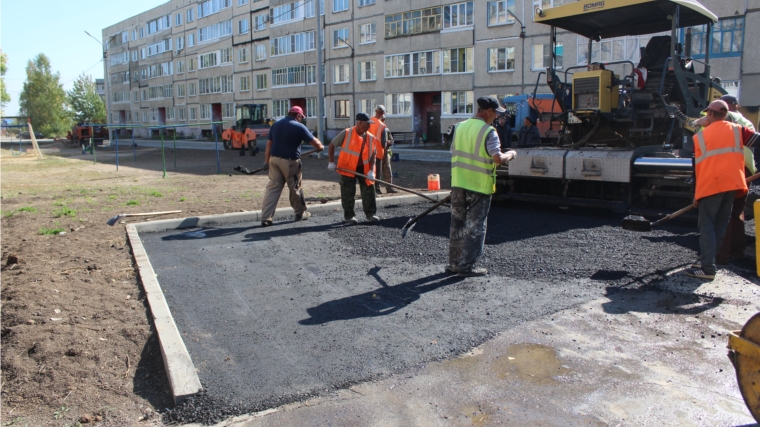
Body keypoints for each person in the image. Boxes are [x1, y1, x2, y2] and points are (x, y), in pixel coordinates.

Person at [686, 100, 759, 280]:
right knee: (720, 225)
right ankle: (707, 259)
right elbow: (758, 140)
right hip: (733, 185)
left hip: (711, 186)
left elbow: (697, 169)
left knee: (707, 226)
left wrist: (696, 195)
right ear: (725, 114)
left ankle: (708, 268)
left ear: (710, 114)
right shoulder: (737, 130)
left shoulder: (700, 137)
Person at [447, 96, 518, 277]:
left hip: (458, 184)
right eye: (496, 113)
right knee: (476, 227)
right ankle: (466, 267)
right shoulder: (489, 131)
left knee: (457, 225)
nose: (496, 117)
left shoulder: (459, 127)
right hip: (479, 185)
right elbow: (497, 159)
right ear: (488, 111)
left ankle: (454, 264)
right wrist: (511, 154)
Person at [260, 106, 324, 227]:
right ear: (298, 116)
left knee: (273, 188)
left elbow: (269, 144)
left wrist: (266, 162)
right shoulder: (299, 126)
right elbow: (316, 143)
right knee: (295, 187)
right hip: (290, 162)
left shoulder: (276, 124)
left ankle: (266, 217)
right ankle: (300, 213)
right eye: (301, 117)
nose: (301, 120)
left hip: (274, 160)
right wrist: (320, 147)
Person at [328, 113, 380, 224]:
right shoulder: (346, 133)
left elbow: (373, 154)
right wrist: (331, 162)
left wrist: (371, 170)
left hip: (363, 168)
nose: (369, 126)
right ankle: (349, 216)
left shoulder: (370, 138)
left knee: (369, 190)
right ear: (359, 123)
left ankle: (371, 214)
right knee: (348, 192)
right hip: (348, 168)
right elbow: (332, 145)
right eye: (367, 124)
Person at [369, 105, 397, 194]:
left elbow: (390, 139)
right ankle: (377, 188)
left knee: (380, 170)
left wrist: (389, 143)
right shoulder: (382, 126)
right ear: (383, 113)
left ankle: (385, 188)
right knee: (377, 170)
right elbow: (384, 141)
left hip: (373, 150)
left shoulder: (369, 121)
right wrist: (387, 144)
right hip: (379, 151)